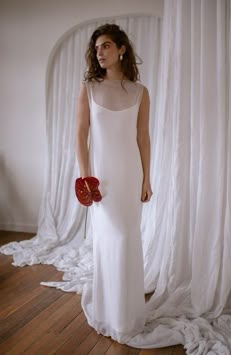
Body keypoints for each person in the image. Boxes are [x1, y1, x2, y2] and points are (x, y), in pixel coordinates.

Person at [75, 23, 153, 343]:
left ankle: (127, 315)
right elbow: (80, 134)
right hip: (101, 179)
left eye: (106, 46)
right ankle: (110, 312)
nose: (100, 52)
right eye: (96, 48)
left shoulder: (140, 92)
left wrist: (147, 177)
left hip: (129, 175)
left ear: (121, 48)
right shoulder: (89, 88)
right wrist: (85, 177)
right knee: (110, 240)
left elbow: (142, 138)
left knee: (127, 239)